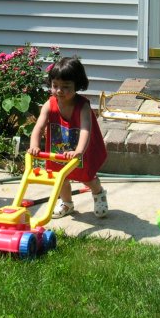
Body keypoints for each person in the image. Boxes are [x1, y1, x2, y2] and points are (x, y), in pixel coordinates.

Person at [27, 56, 108, 218]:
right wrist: (34, 145)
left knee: (87, 178)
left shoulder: (82, 106)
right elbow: (39, 126)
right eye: (55, 85)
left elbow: (85, 130)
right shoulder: (49, 104)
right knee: (60, 178)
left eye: (65, 87)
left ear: (77, 85)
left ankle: (99, 193)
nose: (59, 91)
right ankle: (67, 203)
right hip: (59, 150)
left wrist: (78, 150)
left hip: (81, 151)